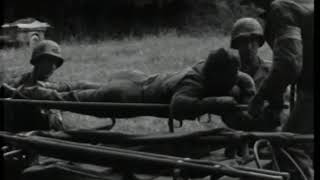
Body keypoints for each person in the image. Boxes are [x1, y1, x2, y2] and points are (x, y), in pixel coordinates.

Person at [9, 48, 256, 124]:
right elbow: (179, 108)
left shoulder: (205, 65)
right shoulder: (193, 82)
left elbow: (241, 77)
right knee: (73, 99)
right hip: (127, 97)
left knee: (81, 88)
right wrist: (218, 102)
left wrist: (249, 91)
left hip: (136, 83)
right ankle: (27, 92)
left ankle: (39, 87)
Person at [241, 0, 314, 179]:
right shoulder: (301, 4)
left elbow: (288, 65)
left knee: (289, 145)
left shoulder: (282, 10)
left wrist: (259, 98)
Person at [229, 17, 287, 131]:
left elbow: (284, 108)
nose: (249, 47)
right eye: (244, 41)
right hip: (240, 130)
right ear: (236, 44)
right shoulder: (229, 73)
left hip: (269, 129)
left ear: (259, 42)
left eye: (253, 41)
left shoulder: (273, 71)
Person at [2, 40, 65, 132]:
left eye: (55, 62)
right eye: (49, 61)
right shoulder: (16, 83)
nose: (52, 66)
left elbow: (56, 125)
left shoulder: (55, 89)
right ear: (37, 61)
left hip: (41, 138)